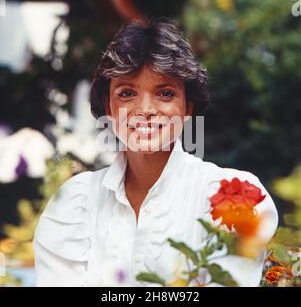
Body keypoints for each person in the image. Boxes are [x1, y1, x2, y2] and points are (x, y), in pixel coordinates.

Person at [33, 17, 278, 287]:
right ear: (108, 107)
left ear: (188, 108)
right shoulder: (74, 202)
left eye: (165, 94)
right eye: (127, 93)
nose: (146, 110)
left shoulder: (234, 195)